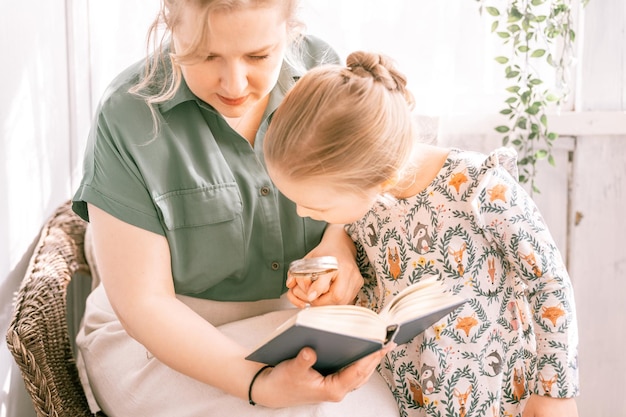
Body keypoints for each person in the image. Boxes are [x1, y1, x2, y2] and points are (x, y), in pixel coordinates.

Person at [71, 1, 401, 416]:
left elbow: (354, 187)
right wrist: (258, 383)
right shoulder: (127, 115)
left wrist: (338, 243)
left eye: (258, 56)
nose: (234, 83)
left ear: (290, 28)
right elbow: (146, 304)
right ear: (170, 25)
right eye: (206, 56)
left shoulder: (322, 71)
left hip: (294, 326)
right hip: (162, 340)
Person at [263, 50, 580, 417]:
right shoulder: (363, 208)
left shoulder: (480, 187)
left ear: (378, 179)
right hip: (412, 402)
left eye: (317, 208)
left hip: (506, 398)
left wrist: (555, 392)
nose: (303, 214)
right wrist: (327, 290)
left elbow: (549, 282)